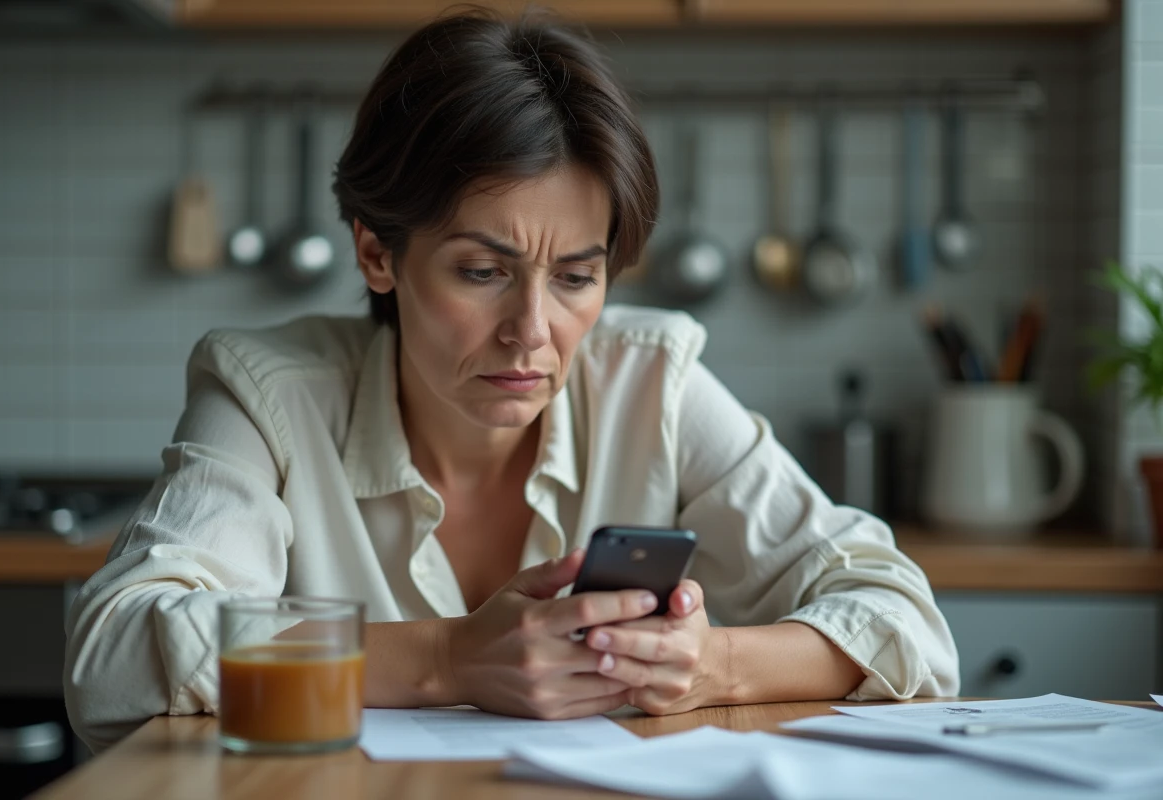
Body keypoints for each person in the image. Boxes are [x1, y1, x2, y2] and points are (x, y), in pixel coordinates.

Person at [64, 10, 959, 753]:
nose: (533, 333)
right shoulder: (268, 393)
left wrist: (707, 661)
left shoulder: (652, 380)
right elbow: (112, 654)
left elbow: (905, 619)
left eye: (575, 278)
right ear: (377, 251)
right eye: (482, 271)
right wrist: (445, 659)